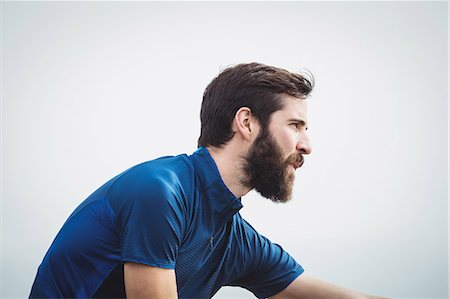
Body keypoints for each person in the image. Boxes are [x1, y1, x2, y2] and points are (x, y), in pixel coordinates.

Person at [30, 63, 385, 298]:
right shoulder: (160, 193)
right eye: (295, 126)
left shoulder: (231, 236)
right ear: (246, 122)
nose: (306, 146)